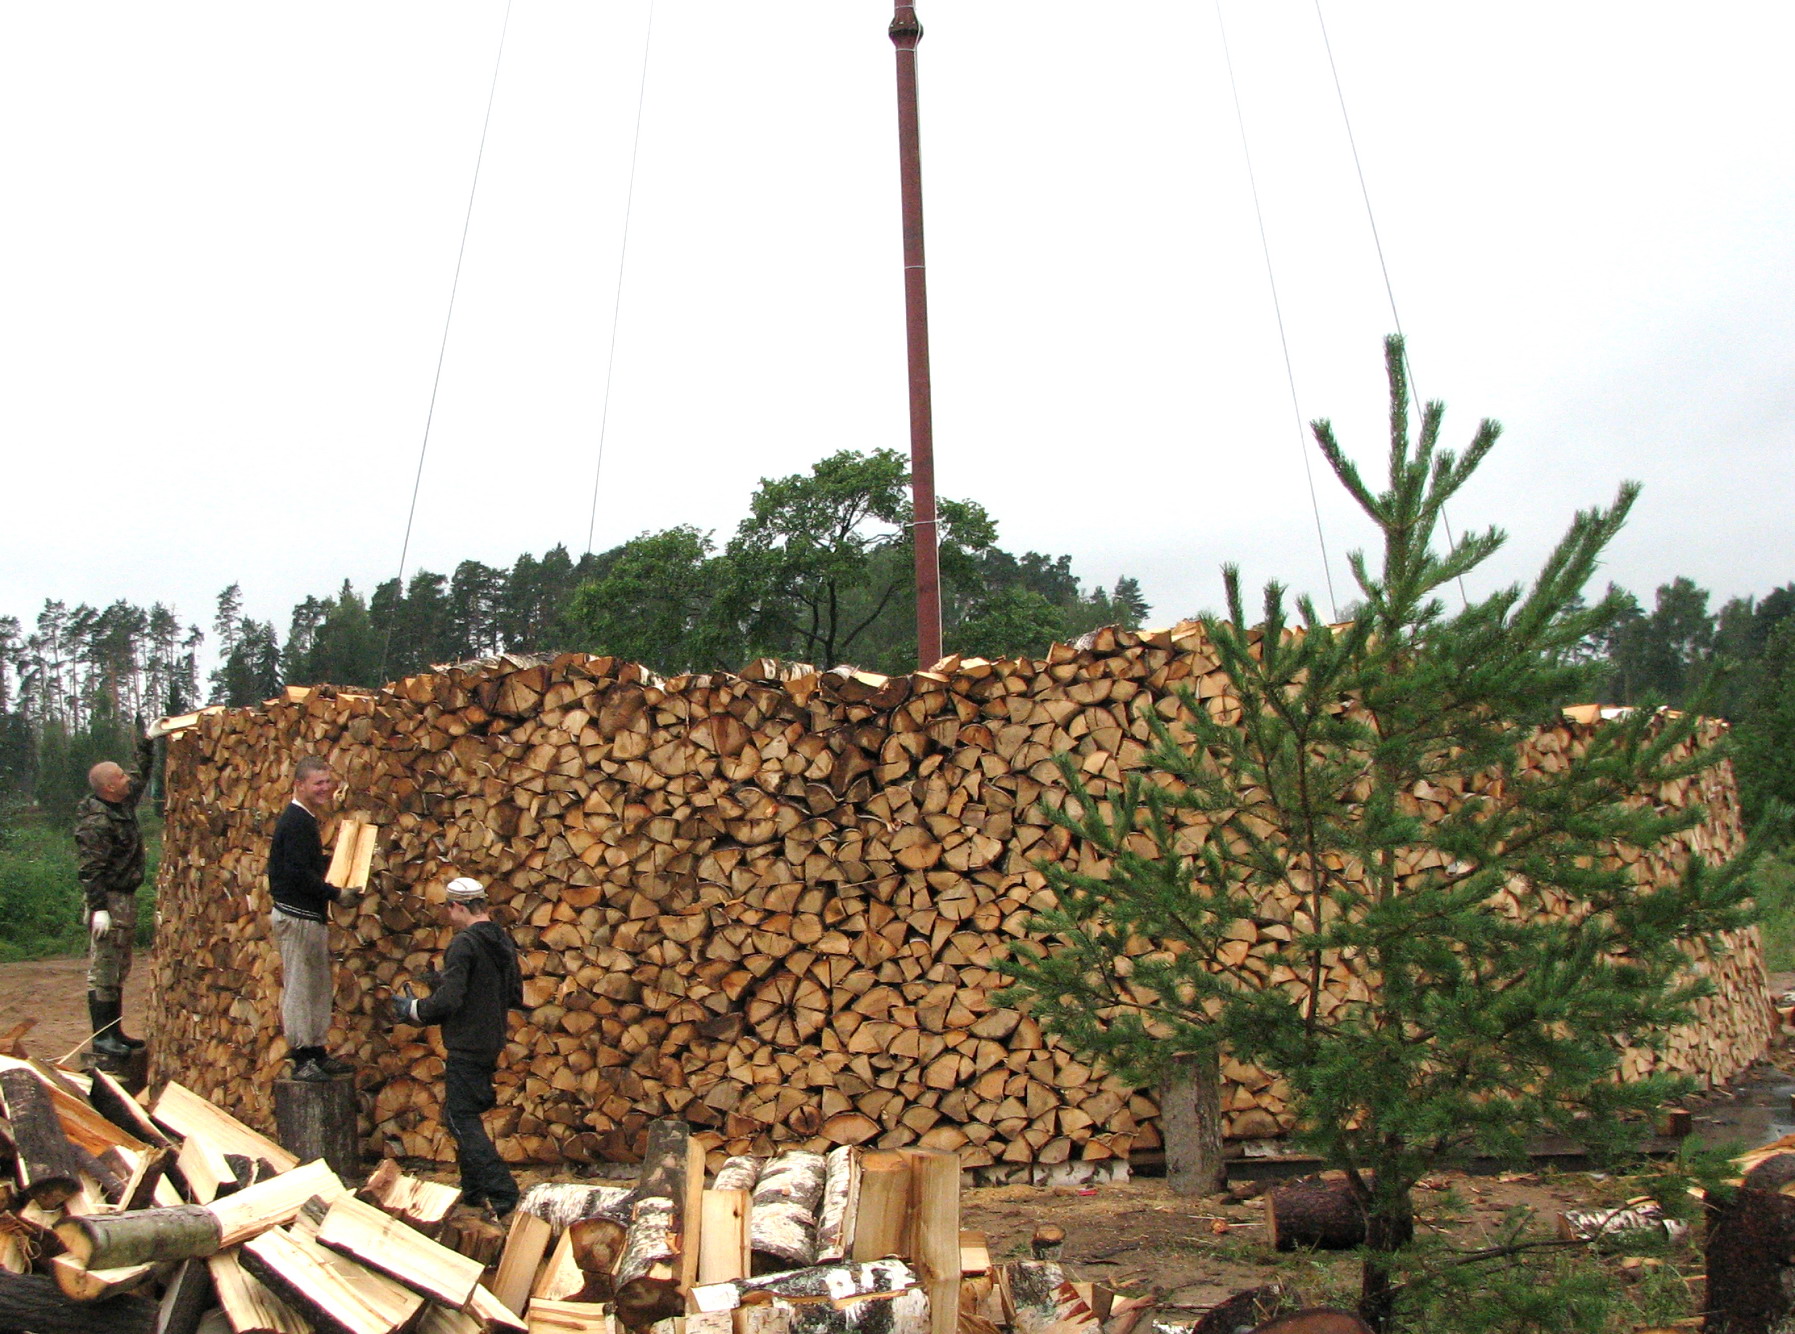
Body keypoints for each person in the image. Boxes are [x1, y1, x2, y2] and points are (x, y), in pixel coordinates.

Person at [388, 876, 522, 1217]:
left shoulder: (464, 944)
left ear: (459, 906)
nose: (448, 915)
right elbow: (513, 994)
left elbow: (449, 1002)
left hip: (465, 1041)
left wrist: (415, 1009)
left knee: (459, 1116)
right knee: (463, 1112)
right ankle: (473, 1189)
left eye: (449, 907)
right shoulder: (501, 940)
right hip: (491, 1037)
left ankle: (503, 1192)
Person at [269, 755, 353, 1082]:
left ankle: (317, 1050)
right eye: (318, 783)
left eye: (328, 782)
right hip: (296, 915)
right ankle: (302, 1056)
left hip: (309, 916)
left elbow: (309, 862)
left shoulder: (306, 820)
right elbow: (296, 872)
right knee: (300, 986)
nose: (325, 789)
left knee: (317, 986)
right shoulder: (295, 820)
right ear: (299, 784)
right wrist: (335, 894)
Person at [74, 729, 157, 1059]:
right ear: (108, 786)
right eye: (119, 776)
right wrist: (98, 908)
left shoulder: (120, 803)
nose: (127, 779)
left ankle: (115, 1032)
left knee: (120, 965)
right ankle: (102, 1038)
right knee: (105, 968)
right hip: (108, 897)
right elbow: (90, 868)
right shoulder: (97, 820)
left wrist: (148, 741)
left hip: (124, 897)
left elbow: (140, 774)